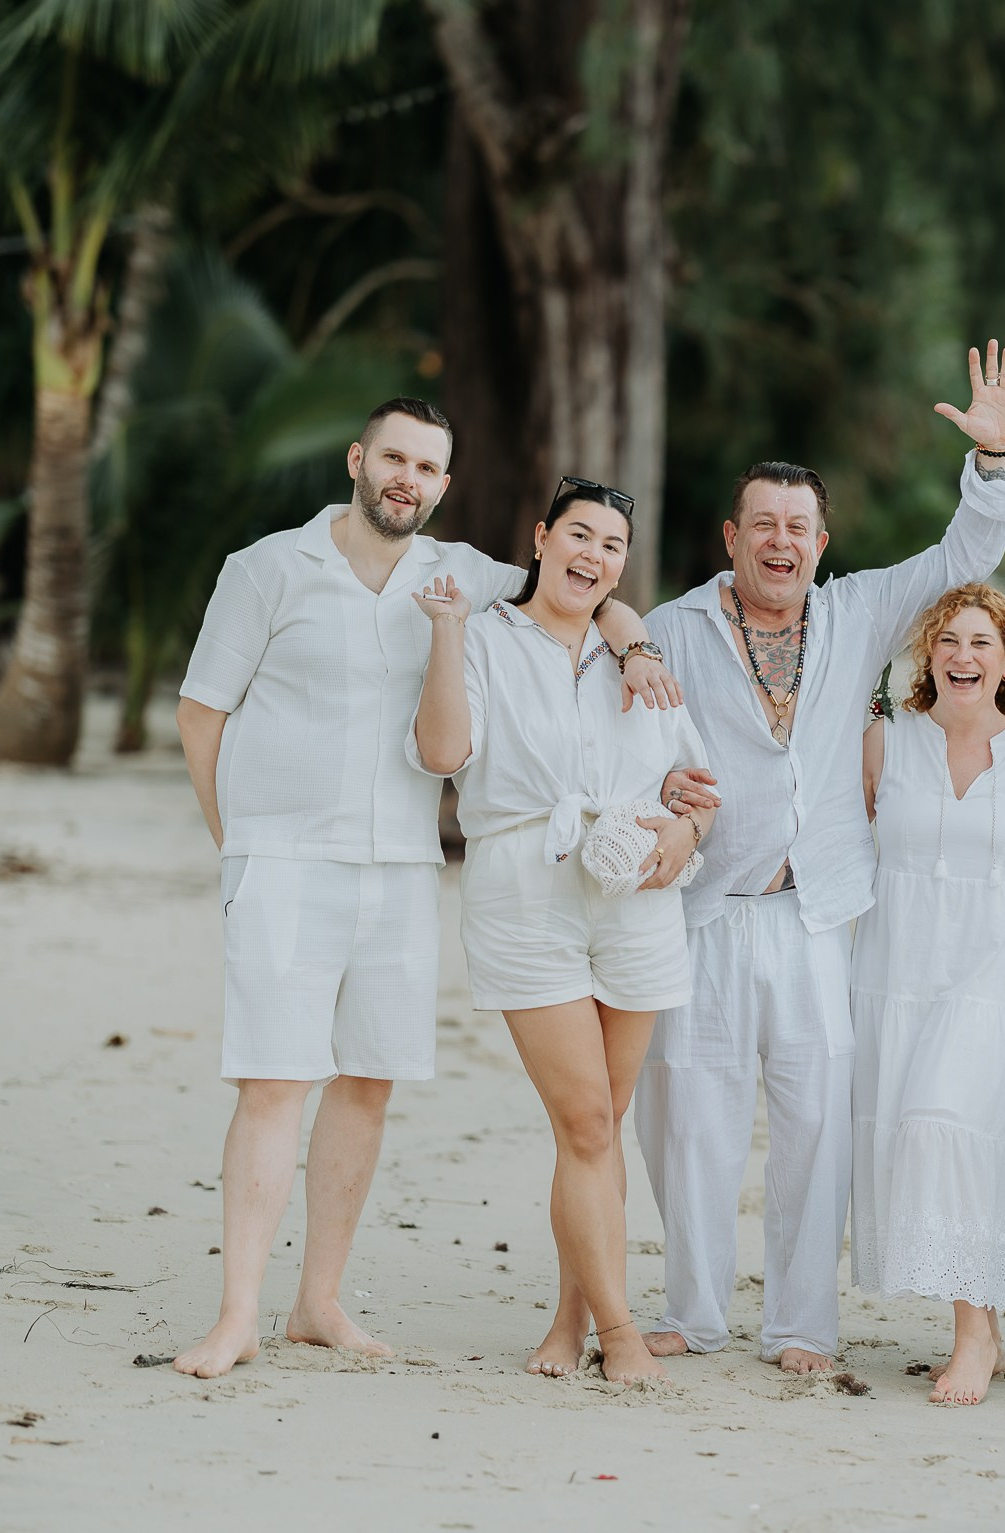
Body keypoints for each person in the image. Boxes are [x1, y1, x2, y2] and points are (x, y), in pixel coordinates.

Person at [169, 399, 674, 1379]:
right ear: (359, 459)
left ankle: (317, 1303)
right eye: (392, 457)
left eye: (427, 468)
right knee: (274, 1083)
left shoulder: (462, 575)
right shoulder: (266, 568)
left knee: (366, 1084)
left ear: (442, 485)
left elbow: (574, 585)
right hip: (282, 860)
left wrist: (629, 632)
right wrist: (236, 844)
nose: (407, 477)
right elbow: (201, 713)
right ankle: (236, 1316)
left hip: (402, 867)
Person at [634, 341, 1005, 1375]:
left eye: (798, 527)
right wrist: (655, 789)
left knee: (816, 1125)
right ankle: (689, 1310)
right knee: (692, 1117)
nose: (781, 542)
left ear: (823, 541)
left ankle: (799, 1327)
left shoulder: (860, 609)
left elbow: (963, 559)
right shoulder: (669, 628)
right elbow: (618, 740)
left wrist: (992, 464)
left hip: (819, 915)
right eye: (762, 525)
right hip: (706, 908)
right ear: (732, 535)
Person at [409, 477, 714, 1385]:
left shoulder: (641, 660)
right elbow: (441, 755)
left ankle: (569, 1321)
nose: (594, 555)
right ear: (540, 538)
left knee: (602, 1127)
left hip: (639, 896)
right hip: (526, 890)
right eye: (579, 534)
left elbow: (695, 785)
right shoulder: (489, 639)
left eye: (613, 545)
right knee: (583, 1119)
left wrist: (685, 833)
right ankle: (621, 1335)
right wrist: (447, 631)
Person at [850, 582, 1005, 1406]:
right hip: (900, 966)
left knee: (944, 1125)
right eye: (948, 640)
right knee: (935, 1133)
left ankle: (972, 1333)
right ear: (926, 655)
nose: (963, 655)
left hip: (997, 970)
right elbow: (844, 840)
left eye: (981, 642)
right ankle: (988, 1328)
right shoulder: (884, 741)